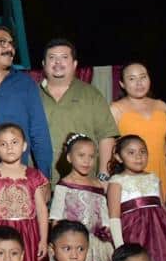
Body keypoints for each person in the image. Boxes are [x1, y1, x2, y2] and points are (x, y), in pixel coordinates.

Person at [0, 25, 52, 176]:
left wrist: (44, 178)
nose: (10, 48)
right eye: (2, 42)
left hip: (15, 179)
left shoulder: (26, 84)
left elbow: (39, 133)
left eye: (11, 44)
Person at [38, 39, 119, 180]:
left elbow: (106, 135)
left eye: (64, 57)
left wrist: (104, 175)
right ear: (44, 64)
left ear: (74, 64)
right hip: (40, 184)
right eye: (52, 58)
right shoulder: (31, 95)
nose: (57, 62)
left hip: (85, 183)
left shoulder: (91, 94)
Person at [0, 123, 50, 261]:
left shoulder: (33, 175)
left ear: (24, 146)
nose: (9, 148)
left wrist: (43, 239)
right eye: (3, 144)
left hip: (29, 233)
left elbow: (42, 209)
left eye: (14, 142)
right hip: (0, 231)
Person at [49, 133, 113, 261]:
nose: (87, 161)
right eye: (81, 155)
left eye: (91, 157)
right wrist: (57, 243)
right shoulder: (64, 184)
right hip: (73, 243)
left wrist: (108, 239)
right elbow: (57, 217)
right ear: (69, 158)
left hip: (97, 245)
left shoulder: (98, 184)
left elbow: (104, 216)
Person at [111, 62, 166, 199]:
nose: (139, 83)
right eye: (132, 79)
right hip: (130, 179)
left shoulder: (162, 106)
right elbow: (110, 148)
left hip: (160, 173)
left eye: (143, 77)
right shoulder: (115, 109)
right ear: (122, 84)